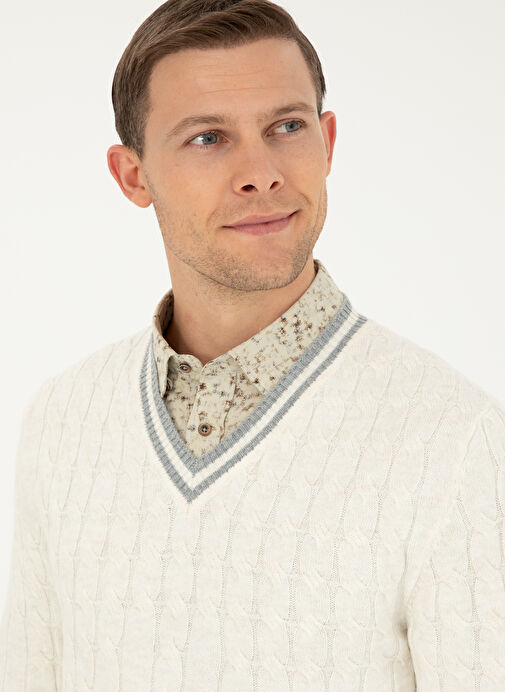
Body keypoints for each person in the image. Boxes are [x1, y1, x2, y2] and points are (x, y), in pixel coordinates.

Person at [1, 0, 504, 689]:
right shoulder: (63, 421)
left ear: (328, 142)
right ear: (133, 176)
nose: (260, 171)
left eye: (287, 126)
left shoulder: (456, 442)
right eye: (208, 138)